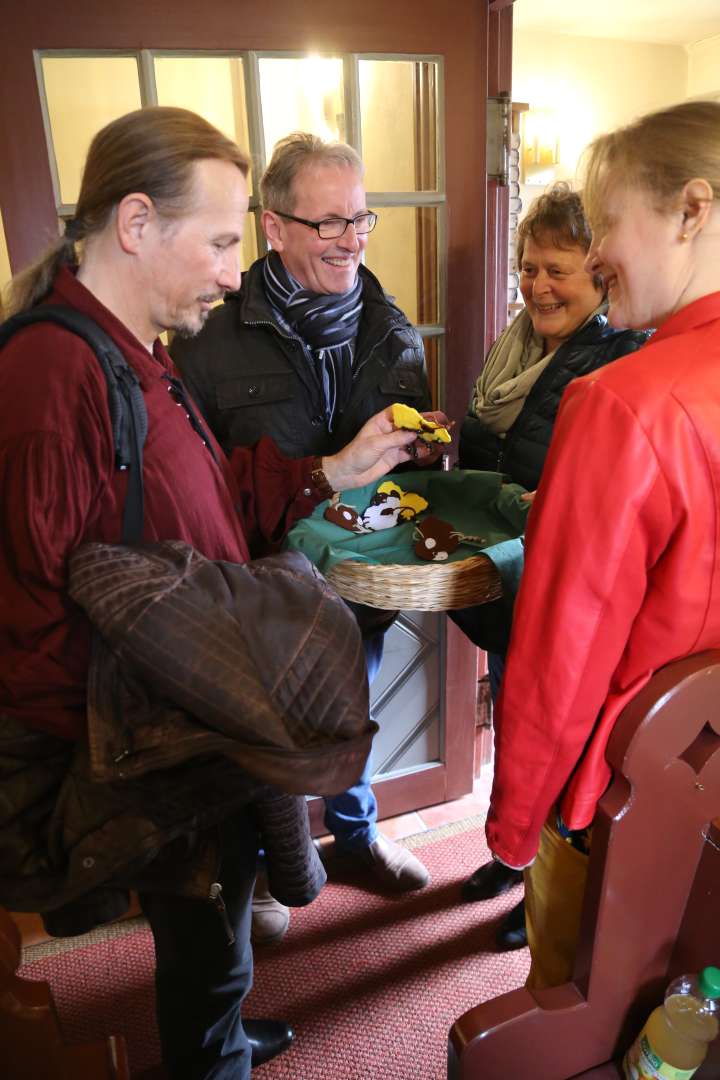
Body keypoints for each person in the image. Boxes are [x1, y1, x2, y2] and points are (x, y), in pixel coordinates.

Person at [0, 106, 423, 1080]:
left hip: (191, 716)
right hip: (154, 733)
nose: (236, 273)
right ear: (137, 223)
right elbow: (31, 619)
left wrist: (328, 468)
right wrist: (147, 743)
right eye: (223, 241)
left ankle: (219, 1035)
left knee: (216, 904)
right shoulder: (49, 376)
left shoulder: (136, 349)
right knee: (201, 895)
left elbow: (207, 496)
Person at [171, 131, 433, 943]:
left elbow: (409, 473)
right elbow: (198, 494)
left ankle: (354, 842)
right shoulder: (205, 341)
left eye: (360, 219)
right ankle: (254, 873)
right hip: (258, 601)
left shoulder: (394, 330)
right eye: (327, 224)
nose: (350, 240)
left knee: (352, 718)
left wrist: (423, 451)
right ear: (272, 227)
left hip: (362, 591)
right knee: (261, 746)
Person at [485, 98, 720, 989]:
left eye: (607, 223)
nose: (593, 259)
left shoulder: (626, 402)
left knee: (586, 999)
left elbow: (562, 650)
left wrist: (515, 824)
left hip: (632, 792)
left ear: (691, 211)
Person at [454, 183, 648, 950]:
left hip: (567, 607)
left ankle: (537, 887)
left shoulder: (620, 359)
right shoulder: (520, 346)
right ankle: (511, 853)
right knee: (515, 728)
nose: (537, 285)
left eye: (558, 269)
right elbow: (493, 449)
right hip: (510, 592)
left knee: (563, 752)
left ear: (599, 275)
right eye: (529, 267)